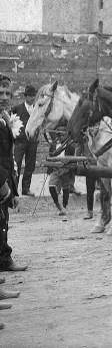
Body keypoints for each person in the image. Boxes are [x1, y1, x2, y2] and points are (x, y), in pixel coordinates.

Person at [0, 74, 28, 272]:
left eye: (7, 92)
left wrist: (14, 191)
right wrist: (2, 184)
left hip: (5, 179)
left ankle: (4, 260)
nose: (4, 96)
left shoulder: (4, 117)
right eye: (0, 92)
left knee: (3, 222)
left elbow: (8, 157)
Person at [11, 85, 39, 196]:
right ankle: (14, 190)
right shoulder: (17, 108)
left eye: (34, 96)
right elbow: (10, 122)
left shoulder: (37, 109)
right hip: (20, 142)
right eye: (30, 96)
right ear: (25, 96)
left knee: (30, 165)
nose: (32, 98)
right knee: (16, 165)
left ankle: (26, 189)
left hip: (32, 142)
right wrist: (13, 137)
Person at [46, 120, 75, 216]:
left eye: (63, 135)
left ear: (66, 135)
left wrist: (69, 168)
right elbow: (50, 156)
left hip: (66, 169)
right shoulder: (54, 145)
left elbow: (73, 159)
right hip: (55, 169)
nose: (61, 137)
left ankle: (64, 207)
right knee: (51, 187)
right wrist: (49, 167)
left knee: (65, 188)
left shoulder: (70, 145)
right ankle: (58, 206)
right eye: (59, 135)